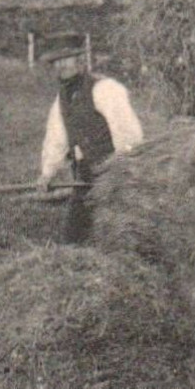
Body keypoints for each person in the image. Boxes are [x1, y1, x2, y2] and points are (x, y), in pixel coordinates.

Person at [36, 34, 144, 239]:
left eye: (66, 59)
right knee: (73, 236)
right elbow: (56, 138)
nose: (61, 66)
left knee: (119, 234)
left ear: (81, 60)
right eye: (56, 62)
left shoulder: (105, 89)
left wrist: (124, 172)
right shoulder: (62, 98)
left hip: (116, 171)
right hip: (85, 176)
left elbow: (129, 134)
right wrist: (47, 173)